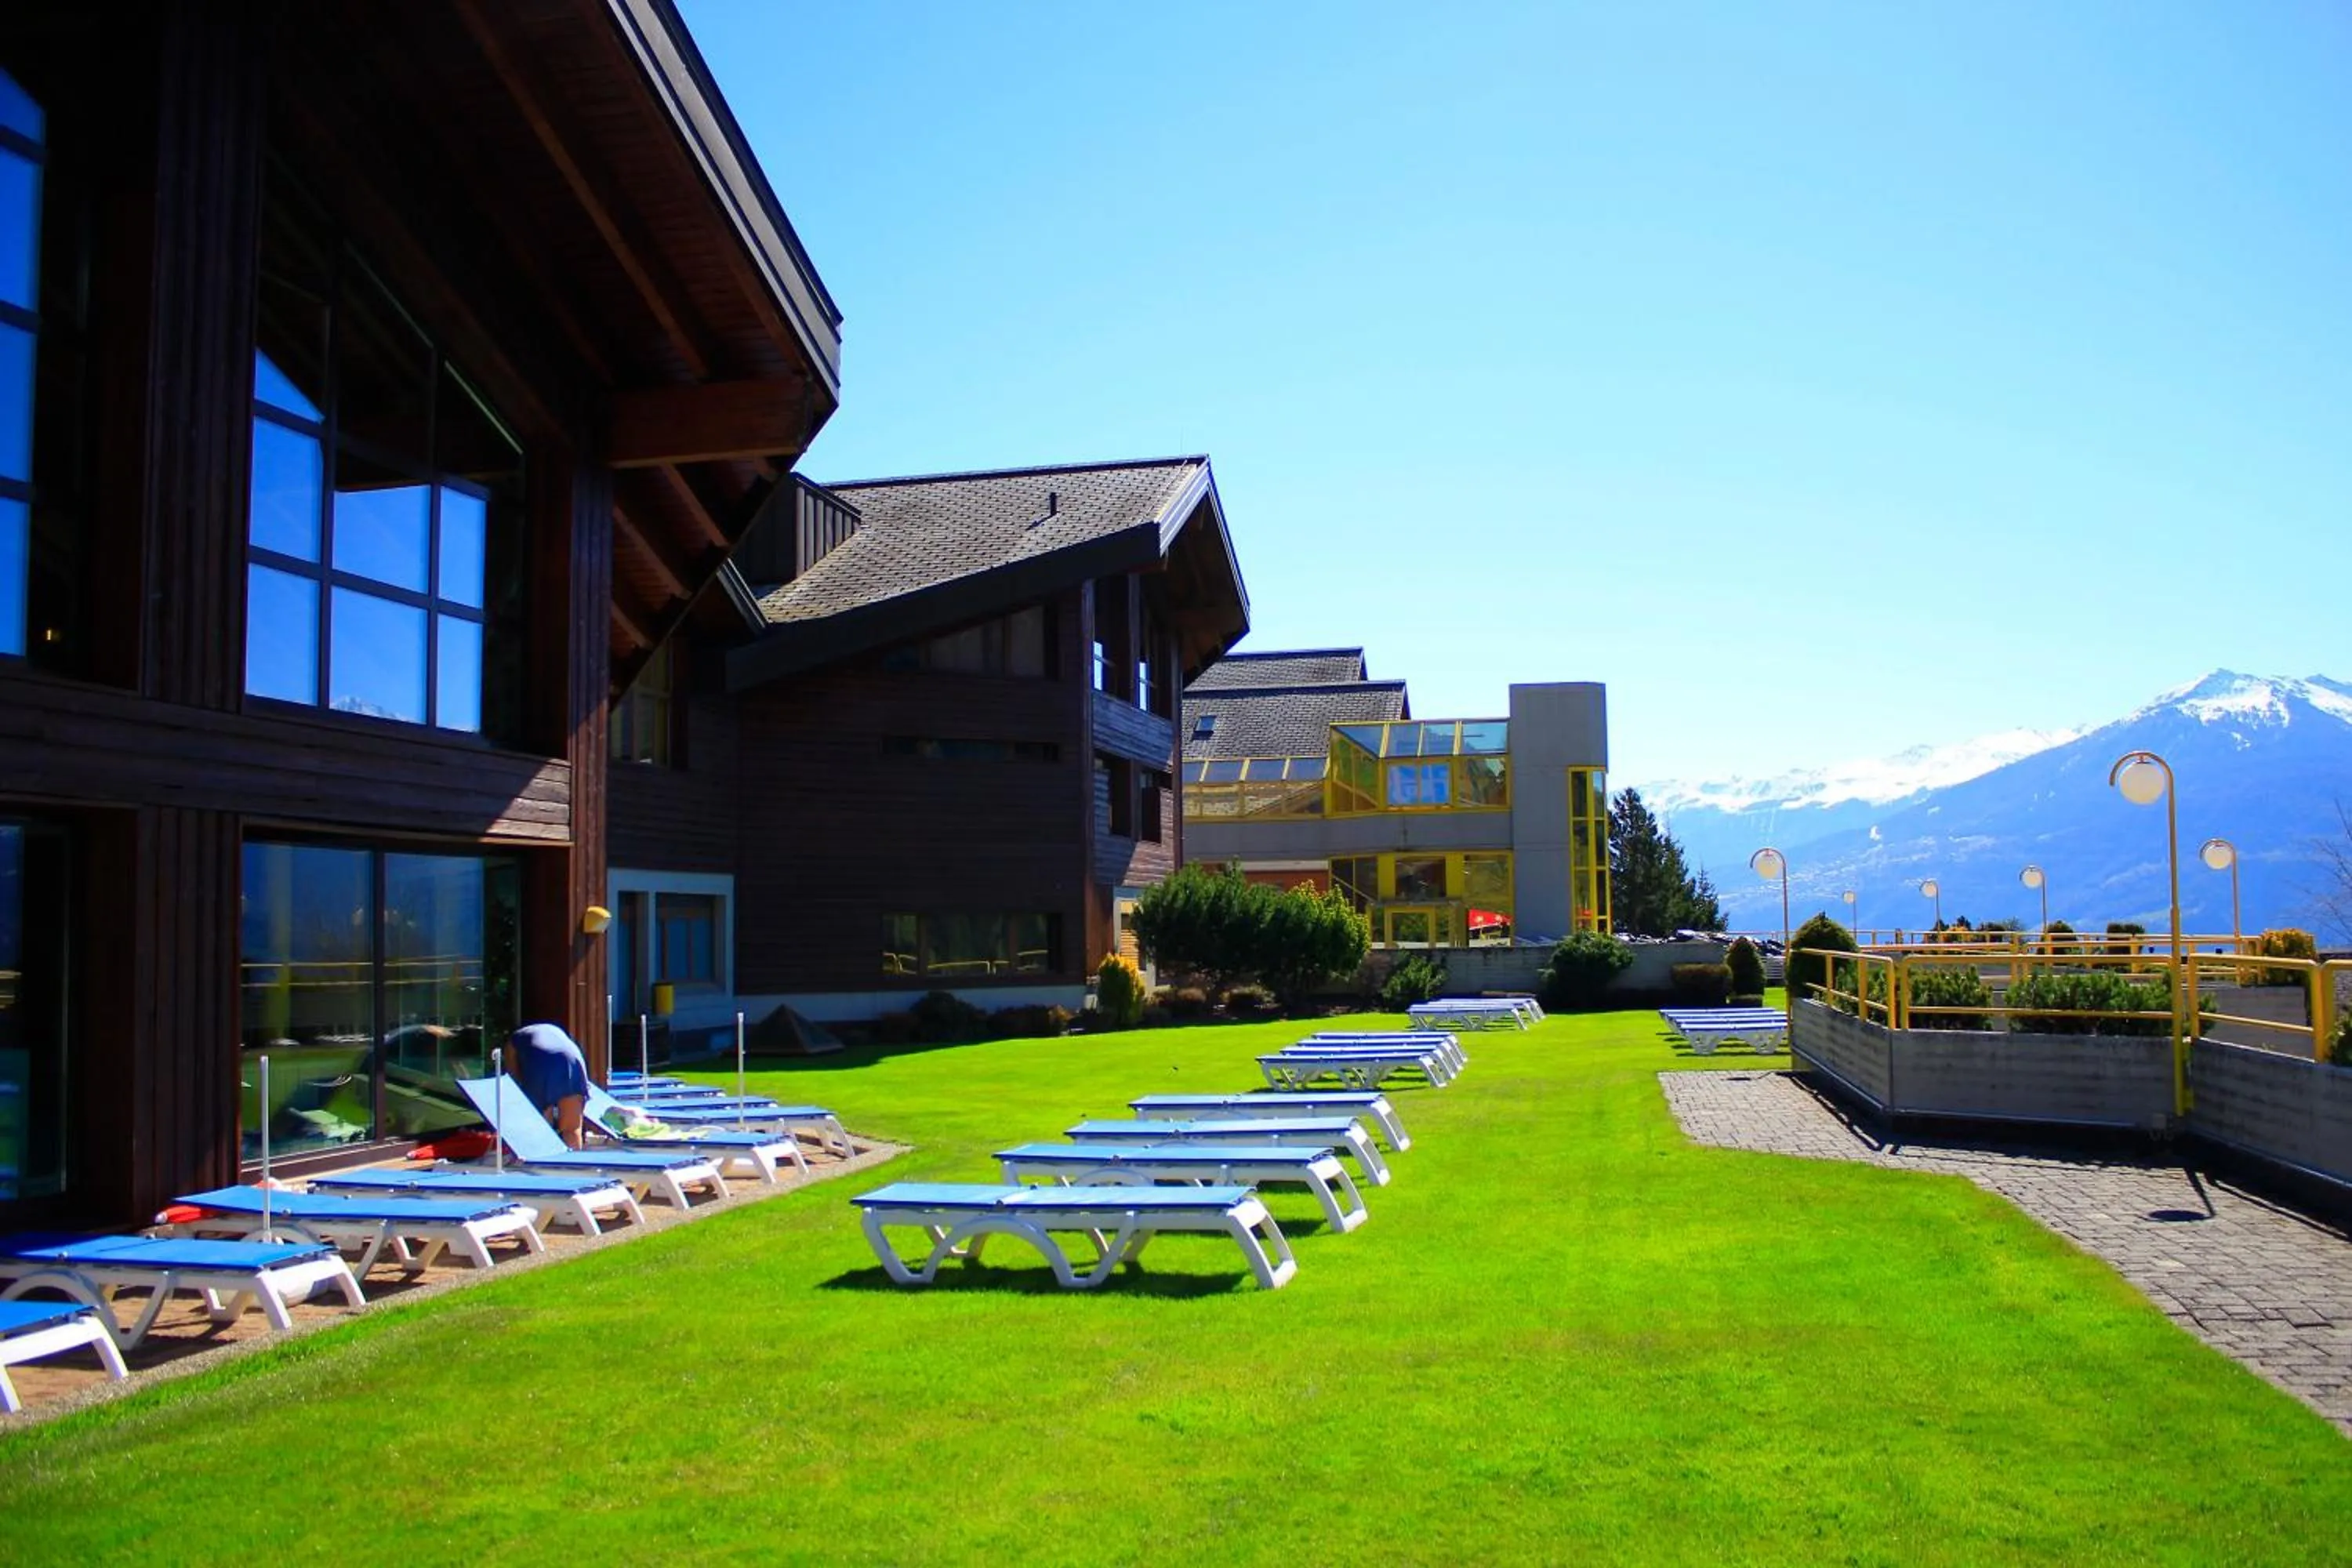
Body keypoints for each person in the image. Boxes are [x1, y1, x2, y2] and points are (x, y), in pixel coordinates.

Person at [506, 1022, 590, 1149]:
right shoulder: (551, 1031)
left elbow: (513, 1079)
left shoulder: (514, 1040)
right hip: (573, 1060)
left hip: (543, 1061)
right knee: (572, 1129)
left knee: (541, 1122)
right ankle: (574, 1164)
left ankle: (542, 1157)